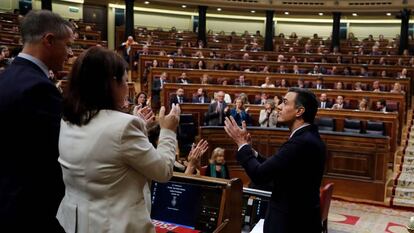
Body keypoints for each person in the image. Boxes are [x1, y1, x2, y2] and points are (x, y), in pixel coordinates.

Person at [57, 46, 181, 232]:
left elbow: (106, 153)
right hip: (115, 225)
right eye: (124, 80)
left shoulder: (67, 119)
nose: (126, 87)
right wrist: (168, 131)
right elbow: (163, 172)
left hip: (75, 223)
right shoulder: (125, 126)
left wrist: (139, 129)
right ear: (112, 83)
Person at [0, 10, 74, 232]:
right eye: (67, 45)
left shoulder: (5, 78)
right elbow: (57, 151)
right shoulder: (39, 88)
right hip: (30, 210)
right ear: (49, 40)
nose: (69, 53)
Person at [223, 87, 326, 233]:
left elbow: (259, 175)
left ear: (299, 111)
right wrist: (251, 151)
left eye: (284, 102)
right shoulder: (307, 138)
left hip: (291, 224)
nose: (279, 106)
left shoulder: (301, 142)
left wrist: (241, 144)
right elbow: (278, 170)